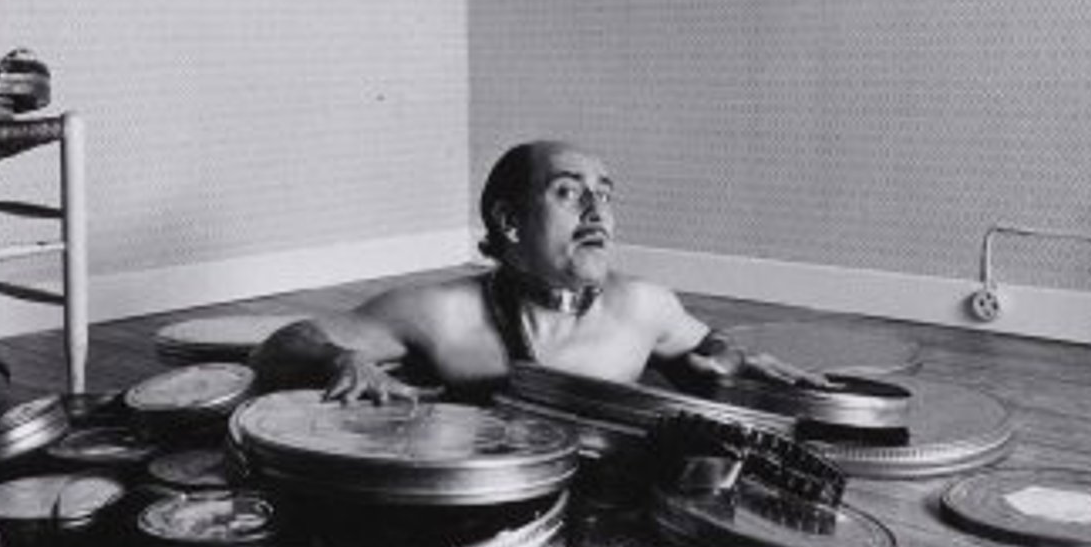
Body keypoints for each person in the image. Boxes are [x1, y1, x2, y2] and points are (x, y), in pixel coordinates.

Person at [249, 139, 811, 402]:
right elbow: (279, 346)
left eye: (604, 194)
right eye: (568, 192)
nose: (596, 212)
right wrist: (342, 360)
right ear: (510, 222)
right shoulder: (440, 313)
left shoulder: (645, 306)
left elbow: (709, 346)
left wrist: (731, 359)